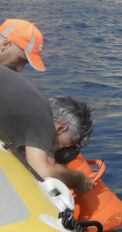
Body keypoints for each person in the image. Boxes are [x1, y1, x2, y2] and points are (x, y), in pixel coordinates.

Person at [0, 65, 94, 193]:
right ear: (61, 128)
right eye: (65, 146)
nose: (59, 151)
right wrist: (79, 179)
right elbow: (43, 172)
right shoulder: (44, 119)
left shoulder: (30, 105)